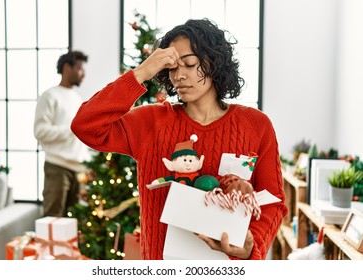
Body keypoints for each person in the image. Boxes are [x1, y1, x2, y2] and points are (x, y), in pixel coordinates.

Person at [71, 19, 288, 259]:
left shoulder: (256, 125)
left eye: (189, 64)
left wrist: (252, 246)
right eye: (172, 68)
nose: (179, 76)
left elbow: (273, 203)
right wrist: (141, 73)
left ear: (215, 62)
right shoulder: (150, 122)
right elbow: (85, 125)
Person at [34, 50, 91, 217]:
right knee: (53, 218)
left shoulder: (77, 98)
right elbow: (40, 131)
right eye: (80, 68)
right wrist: (70, 129)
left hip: (79, 170)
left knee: (75, 221)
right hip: (57, 167)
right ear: (67, 67)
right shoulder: (50, 96)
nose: (84, 74)